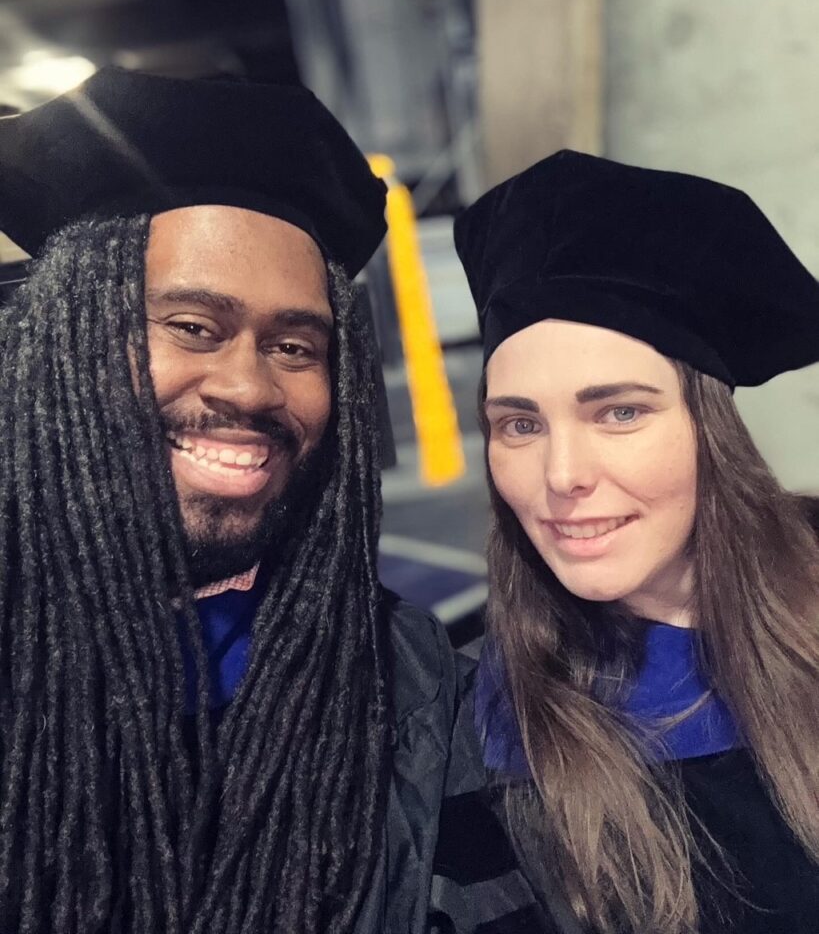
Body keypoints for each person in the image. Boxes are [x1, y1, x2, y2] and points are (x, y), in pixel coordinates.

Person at [0, 68, 545, 934]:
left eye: (295, 345)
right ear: (68, 341)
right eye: (192, 328)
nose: (250, 387)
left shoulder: (404, 685)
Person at [452, 149, 819, 934]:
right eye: (519, 423)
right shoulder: (477, 736)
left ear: (707, 431)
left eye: (617, 411)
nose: (561, 474)